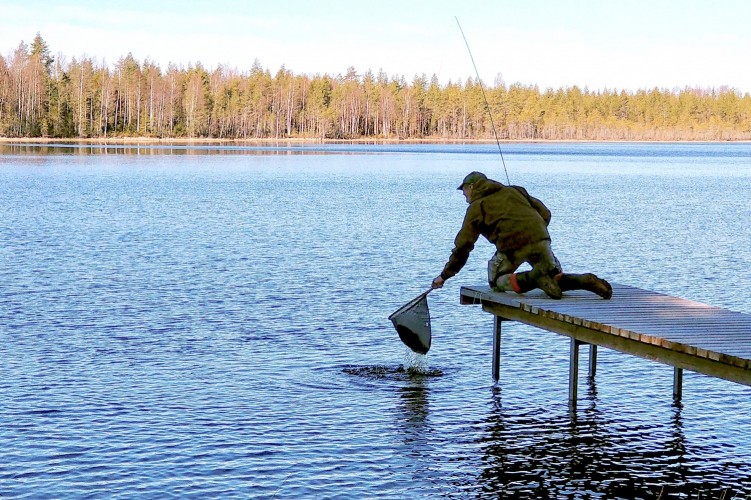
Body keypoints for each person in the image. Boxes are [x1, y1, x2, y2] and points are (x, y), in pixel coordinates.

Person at [431, 171, 612, 300]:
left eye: (464, 191)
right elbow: (546, 213)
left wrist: (444, 276)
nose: (464, 196)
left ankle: (534, 278)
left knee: (497, 282)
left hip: (512, 249)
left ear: (472, 187)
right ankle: (582, 280)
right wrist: (534, 233)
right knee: (553, 275)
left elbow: (463, 246)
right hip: (541, 240)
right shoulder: (515, 190)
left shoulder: (476, 207)